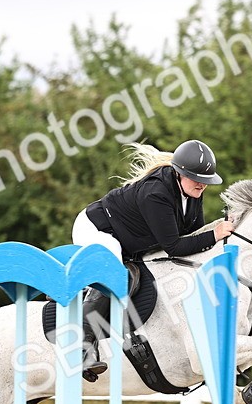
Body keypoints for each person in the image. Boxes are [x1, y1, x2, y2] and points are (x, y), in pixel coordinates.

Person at [71, 139, 236, 380]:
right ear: (180, 174)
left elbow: (194, 237)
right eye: (197, 178)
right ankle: (83, 348)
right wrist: (215, 233)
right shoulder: (156, 193)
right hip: (97, 228)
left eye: (206, 180)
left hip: (129, 239)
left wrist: (219, 232)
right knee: (116, 274)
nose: (202, 185)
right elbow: (174, 246)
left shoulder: (192, 190)